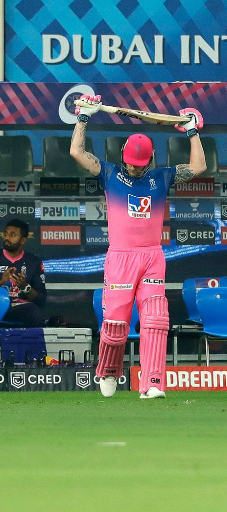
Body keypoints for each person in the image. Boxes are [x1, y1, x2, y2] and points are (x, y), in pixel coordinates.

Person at [72, 94, 207, 399]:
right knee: (116, 323)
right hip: (121, 258)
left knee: (156, 319)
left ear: (151, 159)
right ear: (123, 155)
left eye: (139, 165)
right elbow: (76, 151)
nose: (134, 170)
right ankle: (108, 371)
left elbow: (198, 166)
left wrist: (192, 132)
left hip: (151, 256)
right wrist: (83, 117)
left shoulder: (162, 177)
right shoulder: (109, 173)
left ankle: (153, 382)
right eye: (131, 165)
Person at [0, 219, 47, 362]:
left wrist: (25, 287)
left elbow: (41, 300)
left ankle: (33, 360)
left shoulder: (34, 262)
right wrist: (0, 282)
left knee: (36, 313)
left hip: (18, 309)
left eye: (12, 235)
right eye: (6, 234)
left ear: (23, 240)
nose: (7, 237)